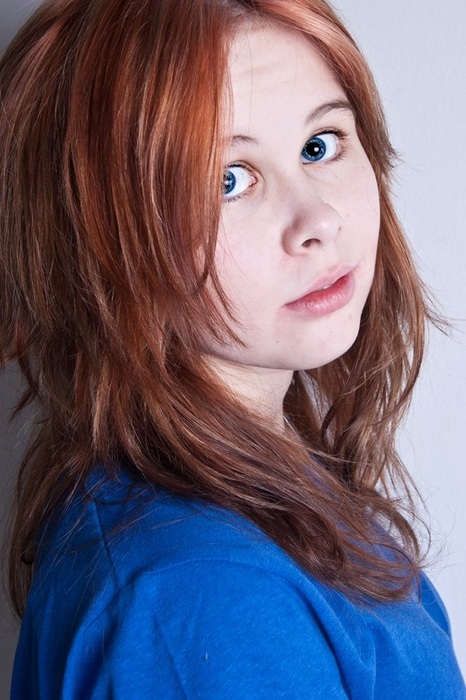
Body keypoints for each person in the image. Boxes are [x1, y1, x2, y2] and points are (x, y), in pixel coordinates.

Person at [0, 0, 464, 696]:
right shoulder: (202, 596)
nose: (317, 219)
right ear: (100, 242)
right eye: (228, 180)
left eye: (320, 144)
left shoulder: (258, 486)